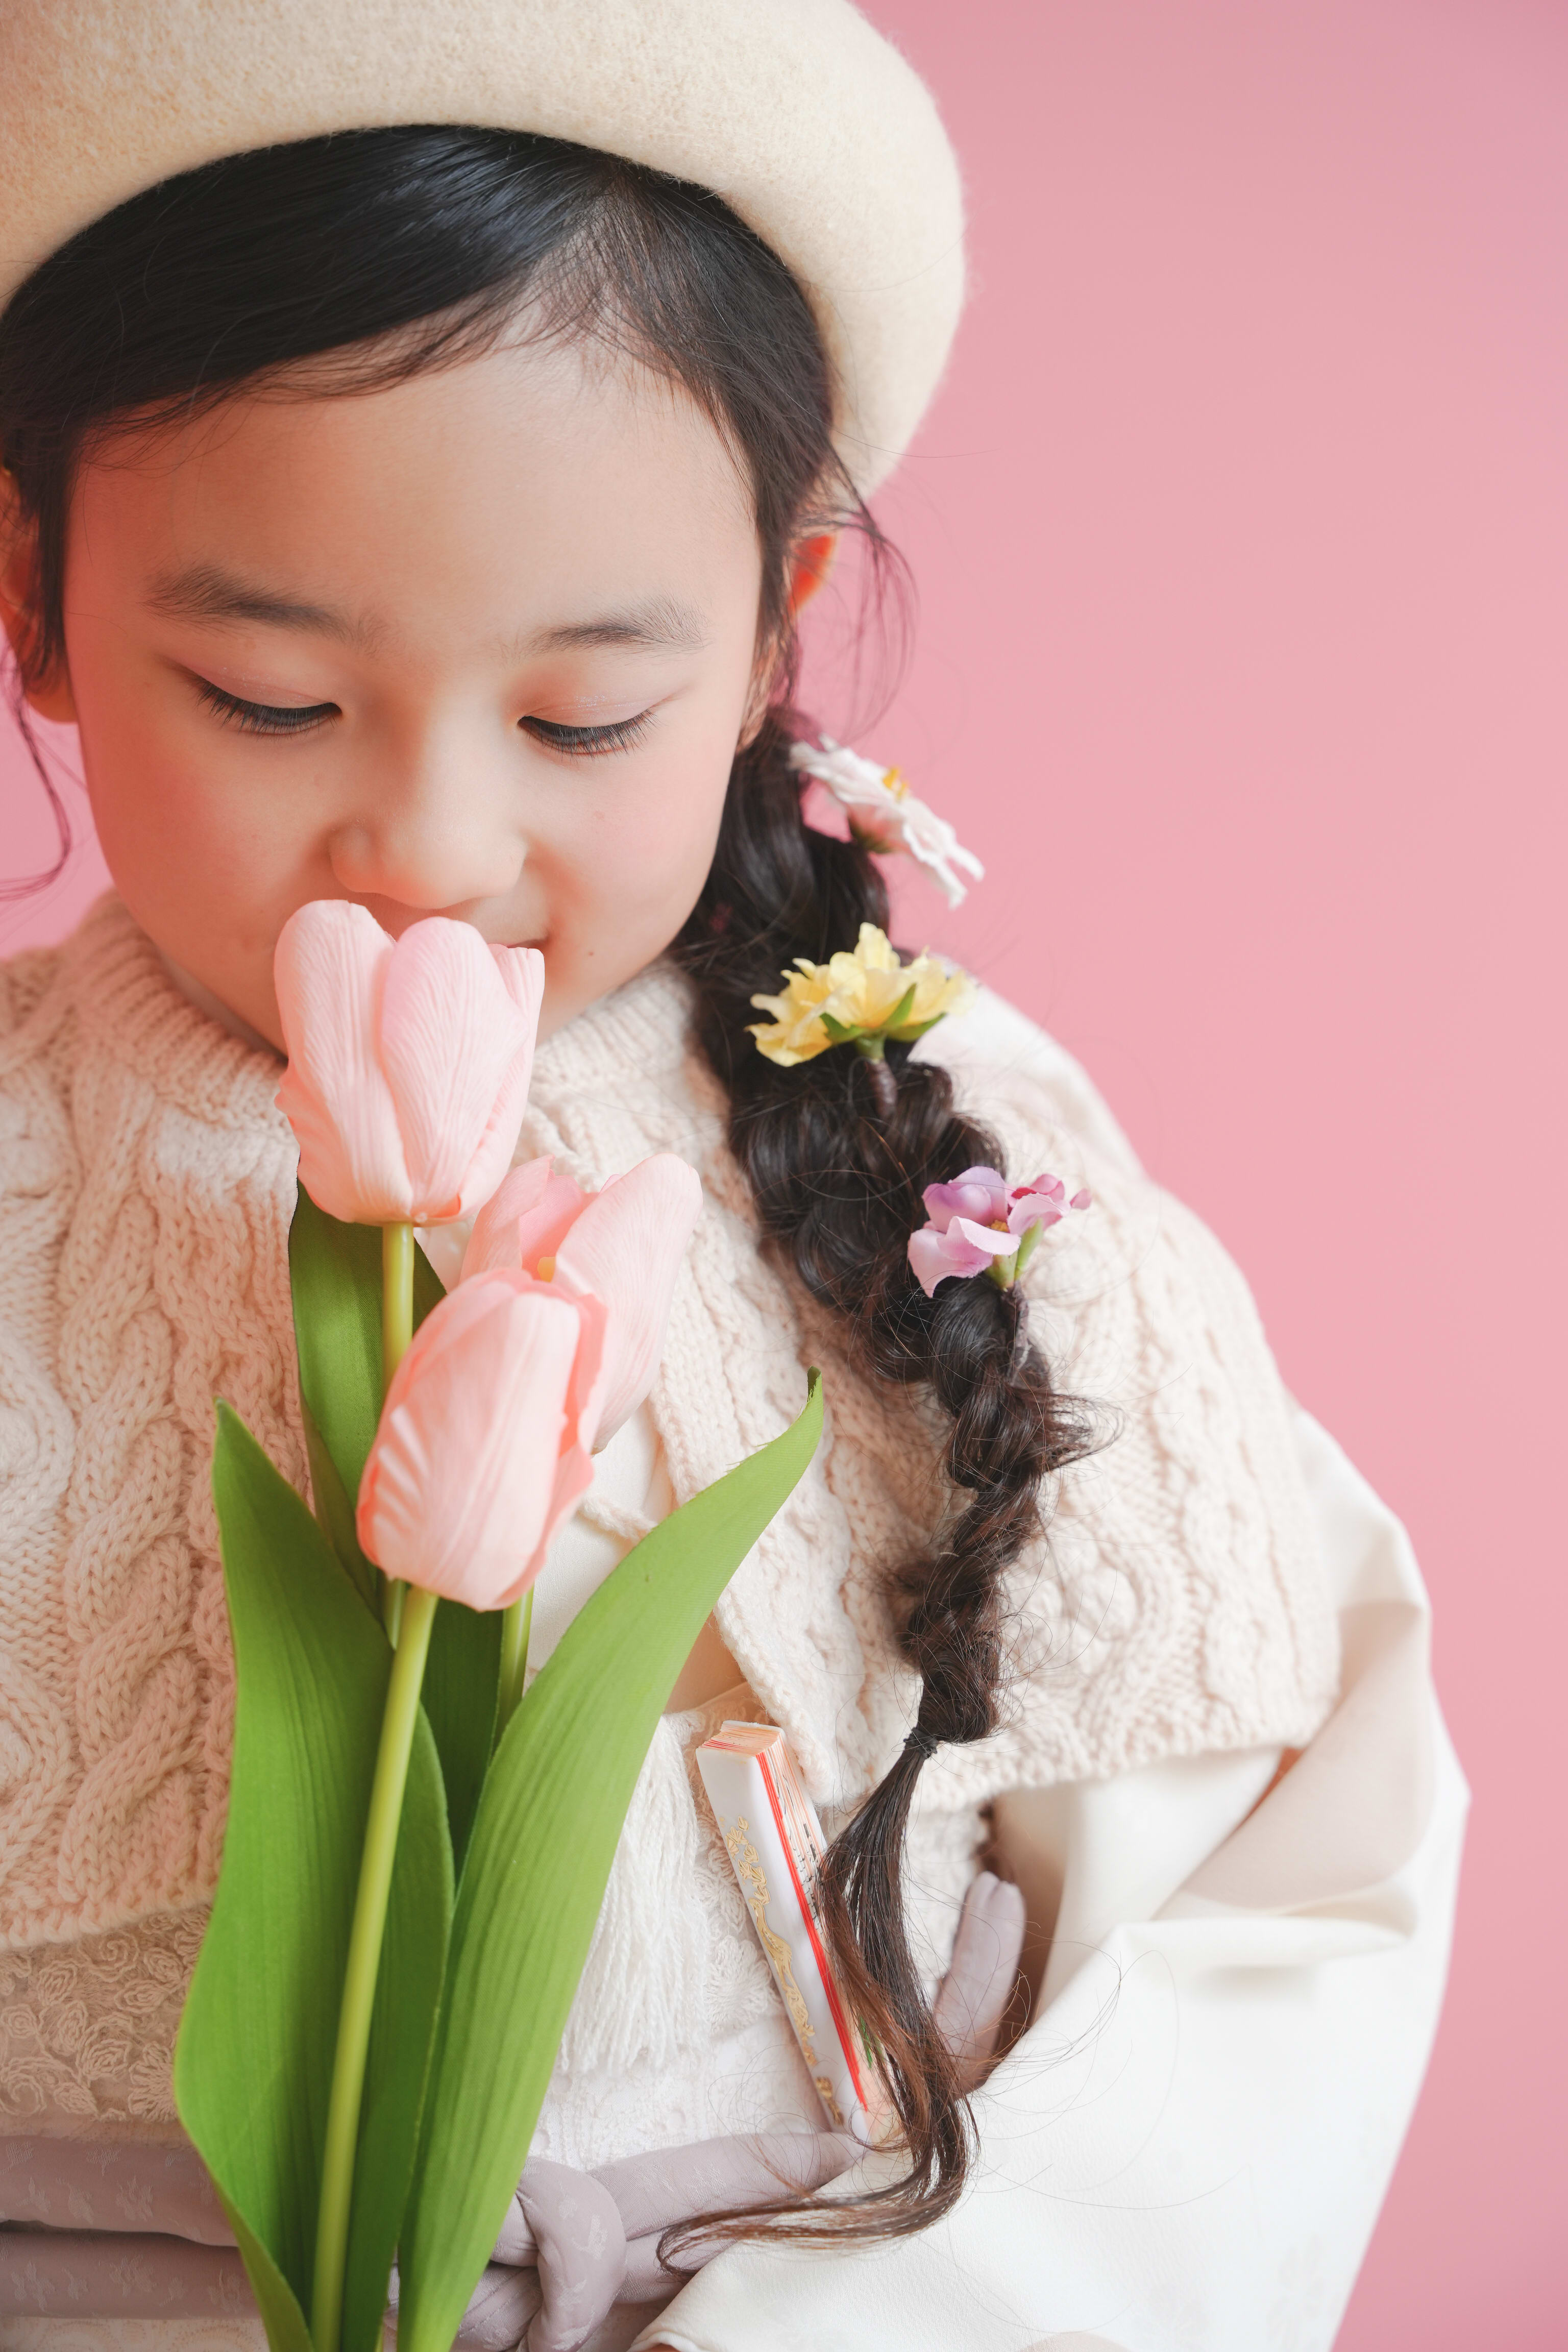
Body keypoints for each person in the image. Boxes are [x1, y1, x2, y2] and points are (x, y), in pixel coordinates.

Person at [0, 4, 1464, 2347]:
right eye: (273, 700)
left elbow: (1264, 1875)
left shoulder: (937, 1142)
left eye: (585, 716)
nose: (435, 845)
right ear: (35, 592)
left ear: (777, 633)